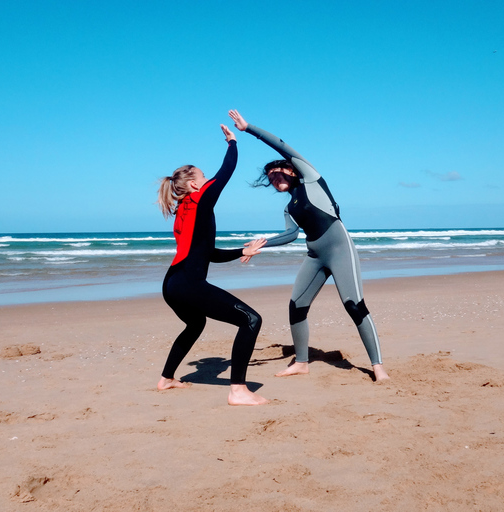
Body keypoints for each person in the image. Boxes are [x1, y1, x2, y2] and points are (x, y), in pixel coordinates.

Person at [228, 109, 390, 382]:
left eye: (277, 171)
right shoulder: (289, 208)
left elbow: (281, 145)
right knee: (297, 304)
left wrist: (249, 129)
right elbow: (290, 235)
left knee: (354, 305)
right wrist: (261, 243)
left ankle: (378, 367)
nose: (273, 177)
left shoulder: (311, 178)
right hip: (315, 254)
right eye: (269, 176)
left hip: (339, 249)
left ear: (291, 170)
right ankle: (302, 362)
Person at [156, 123, 270, 405]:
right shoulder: (199, 200)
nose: (207, 181)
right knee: (251, 320)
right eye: (203, 177)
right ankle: (238, 391)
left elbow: (207, 254)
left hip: (172, 284)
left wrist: (242, 251)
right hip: (188, 284)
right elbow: (226, 173)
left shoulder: (185, 212)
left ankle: (166, 379)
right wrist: (232, 143)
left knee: (195, 325)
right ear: (195, 184)